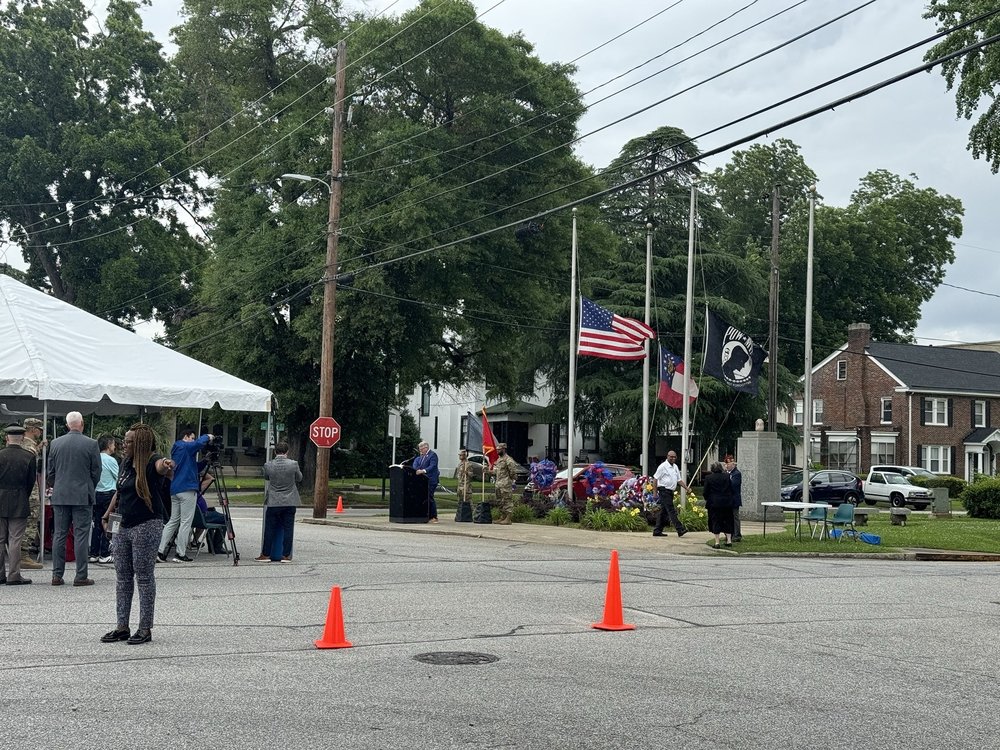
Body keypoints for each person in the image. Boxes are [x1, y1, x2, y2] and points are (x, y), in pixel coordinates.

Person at [100, 424, 174, 646]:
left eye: (129, 442)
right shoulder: (125, 463)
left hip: (146, 524)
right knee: (122, 577)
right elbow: (120, 492)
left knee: (143, 576)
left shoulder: (152, 462)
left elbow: (162, 467)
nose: (124, 445)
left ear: (141, 443)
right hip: (122, 524)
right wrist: (107, 515)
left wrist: (167, 464)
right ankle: (122, 626)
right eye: (124, 440)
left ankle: (145, 628)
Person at [46, 411, 101, 587]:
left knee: (59, 535)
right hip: (82, 495)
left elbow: (50, 472)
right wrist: (89, 485)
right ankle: (81, 575)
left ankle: (57, 575)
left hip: (61, 494)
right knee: (81, 535)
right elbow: (96, 471)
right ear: (82, 424)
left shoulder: (55, 443)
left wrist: (58, 484)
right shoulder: (91, 444)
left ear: (67, 425)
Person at [157, 427, 214, 564]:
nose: (193, 441)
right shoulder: (185, 446)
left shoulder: (178, 450)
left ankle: (160, 551)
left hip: (176, 488)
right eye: (192, 438)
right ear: (186, 437)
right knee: (186, 522)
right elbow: (198, 444)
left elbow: (194, 467)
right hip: (187, 488)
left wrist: (205, 461)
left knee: (173, 521)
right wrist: (208, 436)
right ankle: (180, 553)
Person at [0, 425, 39, 585]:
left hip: (0, 499)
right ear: (22, 438)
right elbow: (31, 482)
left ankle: (0, 574)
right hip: (20, 500)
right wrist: (23, 495)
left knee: (0, 539)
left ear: (7, 438)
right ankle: (14, 574)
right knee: (15, 539)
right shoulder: (29, 457)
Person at [257, 442, 302, 562]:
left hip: (274, 500)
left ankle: (265, 554)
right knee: (288, 528)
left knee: (269, 528)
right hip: (290, 500)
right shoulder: (293, 464)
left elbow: (267, 477)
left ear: (275, 451)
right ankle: (286, 555)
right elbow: (299, 478)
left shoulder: (268, 465)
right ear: (287, 451)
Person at [19, 417, 45, 570]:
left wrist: (40, 447)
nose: (41, 432)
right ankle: (23, 554)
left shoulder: (24, 444)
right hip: (30, 489)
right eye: (39, 429)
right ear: (33, 429)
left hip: (24, 489)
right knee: (31, 519)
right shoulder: (29, 447)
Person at [90, 435, 119, 565]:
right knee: (111, 523)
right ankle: (105, 553)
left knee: (97, 523)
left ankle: (94, 553)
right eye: (113, 444)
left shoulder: (95, 458)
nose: (114, 447)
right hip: (110, 494)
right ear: (108, 445)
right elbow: (118, 477)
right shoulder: (111, 460)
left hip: (97, 493)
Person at [652, 451, 689, 538]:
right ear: (667, 456)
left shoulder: (675, 467)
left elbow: (679, 480)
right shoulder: (662, 466)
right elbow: (655, 479)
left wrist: (686, 488)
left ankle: (657, 530)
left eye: (674, 457)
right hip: (664, 490)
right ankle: (680, 529)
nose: (673, 458)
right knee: (671, 510)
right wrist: (654, 493)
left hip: (670, 491)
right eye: (671, 457)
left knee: (664, 512)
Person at [704, 461, 735, 549]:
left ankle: (717, 542)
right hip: (726, 502)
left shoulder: (708, 478)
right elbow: (731, 489)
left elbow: (705, 491)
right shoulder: (727, 476)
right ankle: (729, 540)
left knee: (715, 520)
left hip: (714, 503)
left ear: (712, 469)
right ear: (721, 468)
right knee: (728, 520)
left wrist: (707, 498)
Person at [410, 441, 439, 523]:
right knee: (424, 498)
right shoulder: (421, 457)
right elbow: (417, 466)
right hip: (423, 481)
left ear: (425, 447)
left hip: (431, 480)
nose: (420, 451)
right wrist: (417, 469)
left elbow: (432, 466)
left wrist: (423, 471)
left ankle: (434, 516)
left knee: (430, 497)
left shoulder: (433, 455)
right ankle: (425, 515)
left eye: (421, 449)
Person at [491, 443, 519, 525]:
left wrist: (510, 480)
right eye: (497, 449)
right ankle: (503, 517)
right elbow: (496, 471)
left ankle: (508, 518)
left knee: (507, 500)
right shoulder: (499, 460)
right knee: (500, 501)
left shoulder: (508, 460)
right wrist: (488, 471)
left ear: (503, 449)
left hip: (505, 484)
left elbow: (513, 472)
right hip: (498, 483)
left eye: (499, 449)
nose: (497, 451)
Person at [726, 456, 743, 543]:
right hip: (727, 499)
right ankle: (729, 534)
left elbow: (733, 485)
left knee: (735, 517)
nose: (727, 466)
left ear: (733, 464)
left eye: (728, 464)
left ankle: (737, 535)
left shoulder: (736, 474)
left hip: (734, 499)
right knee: (728, 517)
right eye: (726, 464)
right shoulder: (726, 473)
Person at [454, 449, 474, 522]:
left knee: (468, 501)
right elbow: (458, 475)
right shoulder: (460, 464)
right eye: (459, 455)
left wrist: (467, 473)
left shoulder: (468, 464)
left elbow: (472, 475)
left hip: (466, 485)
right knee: (460, 501)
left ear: (465, 456)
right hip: (460, 484)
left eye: (461, 455)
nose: (460, 456)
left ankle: (473, 515)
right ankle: (460, 514)